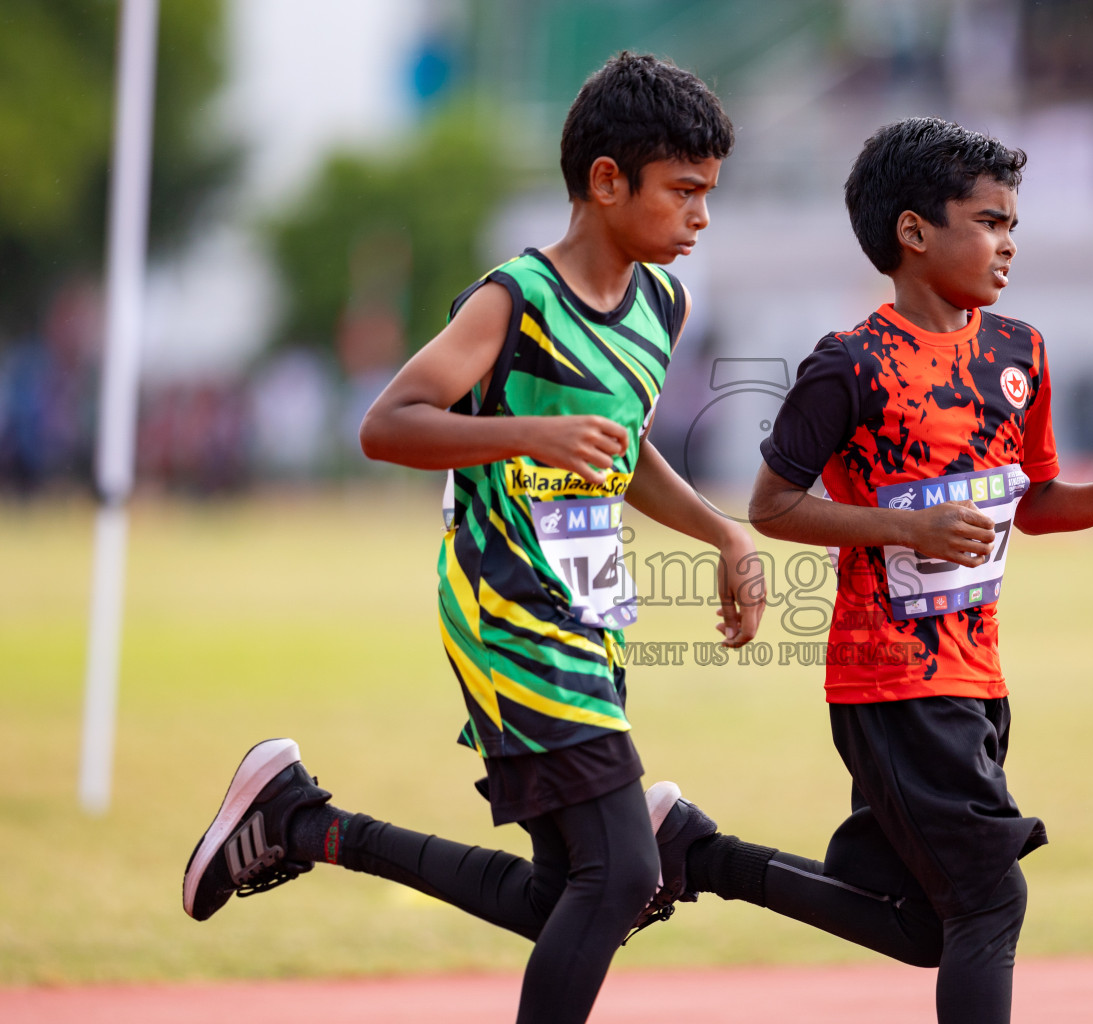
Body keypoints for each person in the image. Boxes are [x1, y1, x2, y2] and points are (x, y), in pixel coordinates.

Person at [181, 53, 762, 1024]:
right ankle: (296, 818)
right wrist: (526, 432)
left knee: (566, 892)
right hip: (507, 608)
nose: (702, 216)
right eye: (684, 192)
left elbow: (619, 451)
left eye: (709, 194)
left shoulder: (663, 307)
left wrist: (722, 534)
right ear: (606, 181)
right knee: (621, 874)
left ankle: (301, 822)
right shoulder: (516, 298)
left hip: (589, 614)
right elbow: (389, 421)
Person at [641, 117, 1093, 1024]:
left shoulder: (1021, 353)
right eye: (988, 221)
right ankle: (697, 854)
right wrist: (912, 527)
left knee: (925, 926)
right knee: (990, 901)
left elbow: (1035, 502)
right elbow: (773, 507)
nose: (1008, 243)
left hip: (977, 679)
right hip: (890, 683)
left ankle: (700, 854)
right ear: (913, 232)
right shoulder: (849, 366)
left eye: (1014, 224)